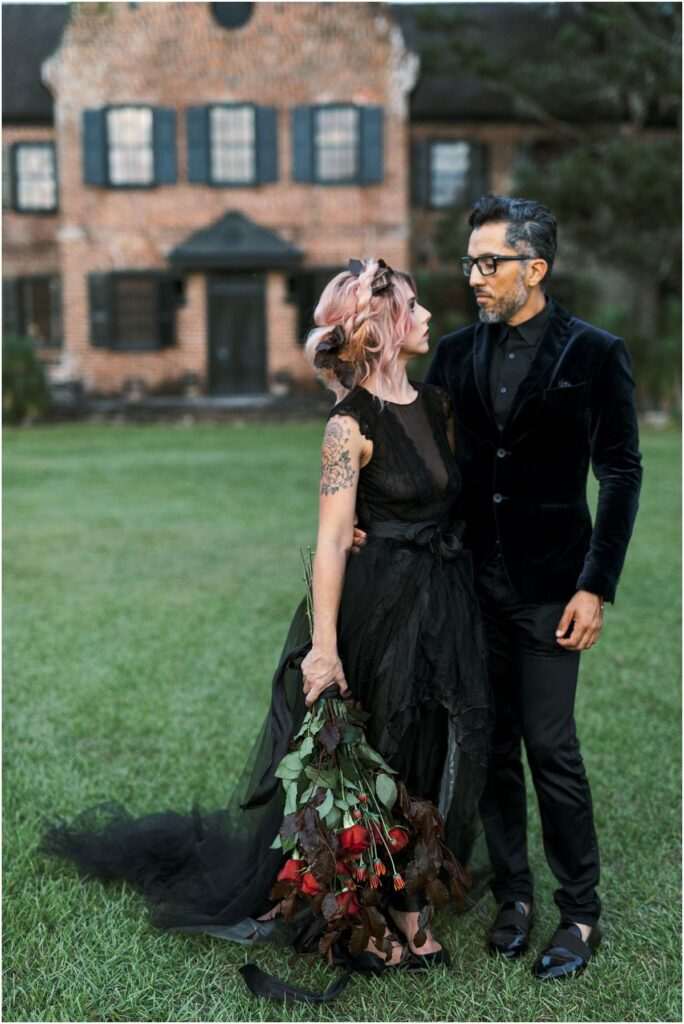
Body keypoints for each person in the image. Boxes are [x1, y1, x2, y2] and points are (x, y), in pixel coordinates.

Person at [41, 258, 491, 987]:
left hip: (443, 603)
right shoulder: (347, 427)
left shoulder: (438, 405)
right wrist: (324, 649)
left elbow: (453, 501)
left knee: (429, 747)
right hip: (376, 613)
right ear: (381, 326)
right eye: (413, 306)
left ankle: (413, 909)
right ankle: (370, 914)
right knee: (376, 754)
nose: (428, 316)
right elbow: (330, 542)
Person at [354, 195, 642, 981]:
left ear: (534, 268)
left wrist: (596, 586)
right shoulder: (452, 353)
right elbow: (408, 441)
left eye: (490, 262)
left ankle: (579, 912)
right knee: (490, 746)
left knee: (551, 744)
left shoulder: (596, 353)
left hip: (554, 587)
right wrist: (360, 520)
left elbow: (620, 471)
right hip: (466, 586)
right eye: (470, 262)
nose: (475, 276)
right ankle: (513, 894)